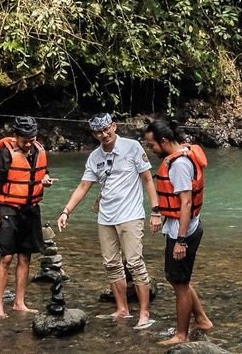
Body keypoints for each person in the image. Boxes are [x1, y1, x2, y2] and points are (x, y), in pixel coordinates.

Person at [57, 113, 160, 330]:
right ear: (94, 134)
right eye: (98, 132)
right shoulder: (94, 157)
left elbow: (148, 179)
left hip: (131, 215)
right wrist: (66, 211)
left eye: (106, 129)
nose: (104, 135)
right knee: (111, 264)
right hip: (106, 217)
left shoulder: (132, 147)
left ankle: (144, 313)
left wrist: (156, 210)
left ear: (114, 126)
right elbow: (84, 186)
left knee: (135, 264)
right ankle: (122, 309)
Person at [144, 120, 213, 345]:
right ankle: (202, 320)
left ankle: (181, 335)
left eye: (152, 145)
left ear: (164, 141)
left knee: (180, 284)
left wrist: (181, 240)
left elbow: (185, 203)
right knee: (177, 279)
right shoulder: (181, 154)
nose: (151, 149)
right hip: (180, 228)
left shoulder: (180, 164)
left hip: (184, 231)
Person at [0, 116, 56, 318]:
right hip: (8, 210)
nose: (29, 144)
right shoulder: (5, 154)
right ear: (16, 137)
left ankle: (19, 303)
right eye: (25, 141)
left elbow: (41, 175)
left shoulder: (38, 150)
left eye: (32, 139)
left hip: (30, 210)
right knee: (6, 257)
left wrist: (46, 181)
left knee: (25, 257)